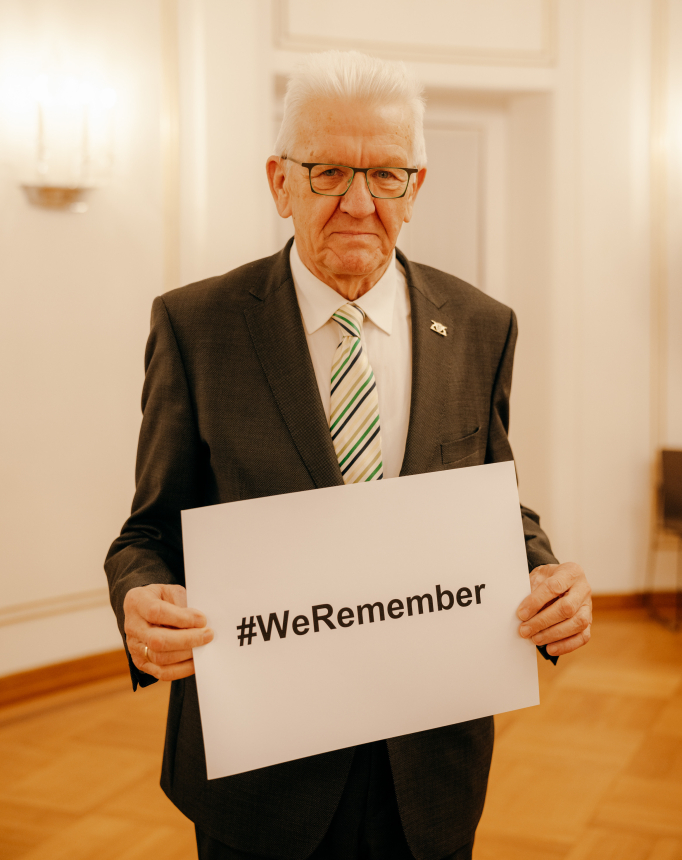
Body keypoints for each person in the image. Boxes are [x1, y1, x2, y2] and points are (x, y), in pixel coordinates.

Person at [105, 51, 592, 860]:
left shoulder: (481, 325)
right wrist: (141, 598)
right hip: (261, 771)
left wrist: (546, 575)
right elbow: (147, 534)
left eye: (387, 174)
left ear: (417, 186)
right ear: (279, 181)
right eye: (329, 171)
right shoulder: (199, 327)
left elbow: (490, 504)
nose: (360, 203)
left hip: (429, 764)